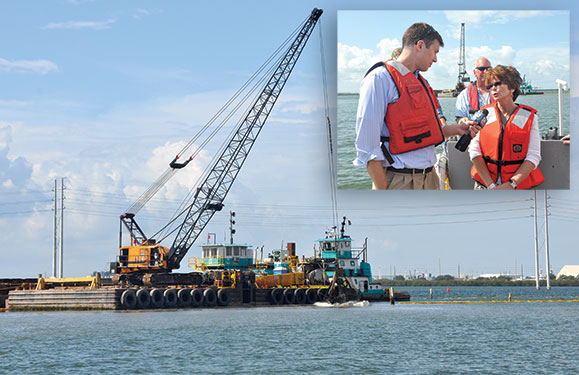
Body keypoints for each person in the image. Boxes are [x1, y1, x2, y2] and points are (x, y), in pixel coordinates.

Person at [353, 23, 478, 190]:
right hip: (399, 180)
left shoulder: (419, 82)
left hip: (429, 177)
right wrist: (382, 188)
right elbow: (367, 145)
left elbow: (422, 134)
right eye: (434, 52)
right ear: (420, 45)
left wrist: (457, 129)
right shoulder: (379, 79)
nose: (435, 59)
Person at [468, 65, 544, 190]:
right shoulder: (484, 114)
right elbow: (474, 151)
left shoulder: (528, 117)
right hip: (485, 185)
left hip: (516, 186)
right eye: (490, 86)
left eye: (497, 84)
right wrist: (491, 186)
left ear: (512, 87)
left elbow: (533, 156)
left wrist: (511, 184)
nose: (493, 89)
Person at [455, 57, 494, 123]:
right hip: (474, 131)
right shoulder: (464, 95)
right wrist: (463, 120)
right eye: (481, 69)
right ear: (474, 72)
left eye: (489, 69)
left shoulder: (499, 92)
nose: (486, 71)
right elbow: (460, 118)